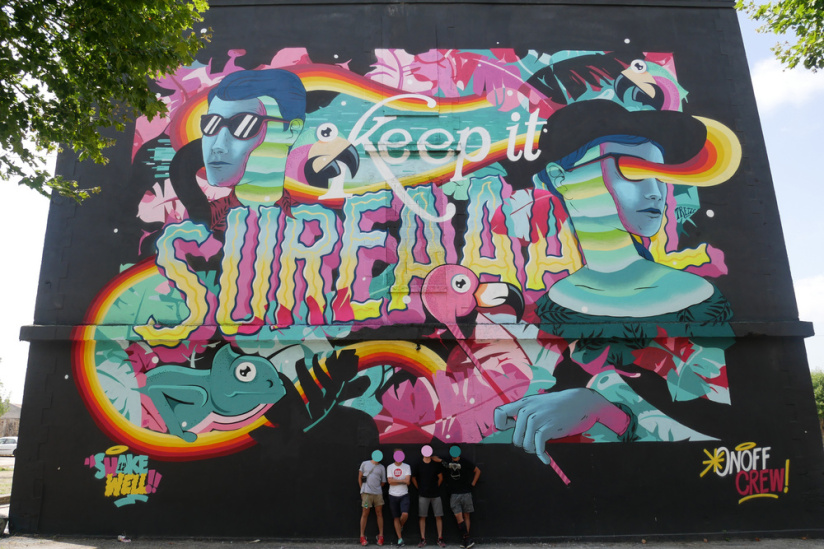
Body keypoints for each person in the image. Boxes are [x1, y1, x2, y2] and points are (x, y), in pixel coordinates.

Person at [170, 69, 307, 237]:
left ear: (292, 131)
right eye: (211, 124)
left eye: (244, 125)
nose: (218, 145)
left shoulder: (316, 224)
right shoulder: (197, 230)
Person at [433, 446, 480, 549]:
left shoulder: (464, 462)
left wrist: (472, 484)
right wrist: (437, 459)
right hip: (454, 494)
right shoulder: (446, 462)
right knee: (459, 517)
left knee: (466, 516)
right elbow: (438, 459)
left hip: (466, 493)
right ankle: (467, 538)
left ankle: (465, 540)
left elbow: (477, 471)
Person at [411, 445, 445, 548]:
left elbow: (440, 477)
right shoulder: (418, 464)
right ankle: (423, 539)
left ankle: (440, 538)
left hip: (436, 494)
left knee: (438, 516)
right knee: (422, 517)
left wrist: (435, 487)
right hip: (423, 495)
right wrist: (419, 488)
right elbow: (413, 478)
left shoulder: (435, 464)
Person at [359, 449, 387, 546]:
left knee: (379, 513)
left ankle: (381, 536)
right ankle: (362, 536)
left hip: (378, 494)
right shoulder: (364, 464)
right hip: (366, 494)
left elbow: (383, 482)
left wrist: (376, 487)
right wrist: (362, 490)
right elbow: (360, 477)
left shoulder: (382, 467)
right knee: (365, 513)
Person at [386, 449, 412, 546]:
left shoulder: (407, 466)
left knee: (405, 514)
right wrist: (402, 480)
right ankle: (400, 539)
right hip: (392, 495)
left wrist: (396, 480)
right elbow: (390, 482)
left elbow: (408, 482)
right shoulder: (390, 467)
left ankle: (400, 526)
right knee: (396, 517)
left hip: (404, 494)